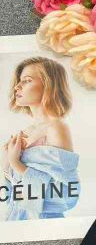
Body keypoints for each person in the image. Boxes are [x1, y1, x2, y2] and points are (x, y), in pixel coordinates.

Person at [1, 57, 80, 221]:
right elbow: (9, 198)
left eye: (27, 80)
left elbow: (67, 195)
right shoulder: (25, 132)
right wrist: (6, 164)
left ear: (49, 85)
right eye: (19, 81)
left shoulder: (56, 128)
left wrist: (17, 164)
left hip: (43, 222)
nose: (17, 86)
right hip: (15, 220)